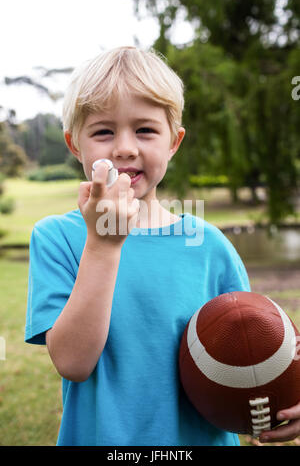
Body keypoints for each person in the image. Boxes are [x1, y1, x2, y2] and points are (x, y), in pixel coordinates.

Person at [25, 46, 300, 446]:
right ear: (74, 145)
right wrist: (103, 245)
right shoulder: (56, 238)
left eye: (145, 130)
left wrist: (288, 395)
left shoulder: (209, 245)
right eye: (103, 131)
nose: (124, 148)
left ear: (174, 142)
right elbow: (72, 363)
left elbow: (252, 350)